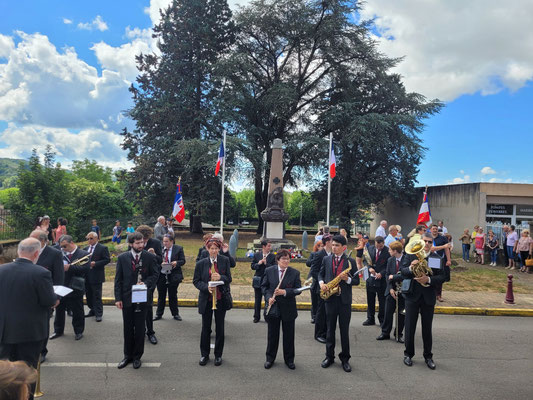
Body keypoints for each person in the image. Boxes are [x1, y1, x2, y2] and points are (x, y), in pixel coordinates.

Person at [0, 238, 58, 400]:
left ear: (18, 251)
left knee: (4, 372)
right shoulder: (41, 273)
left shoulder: (1, 270)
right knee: (28, 370)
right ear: (36, 253)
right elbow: (49, 301)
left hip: (4, 331)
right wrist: (55, 299)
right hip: (30, 333)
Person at [401, 233, 446, 370]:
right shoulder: (410, 255)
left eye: (430, 242)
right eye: (425, 241)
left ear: (432, 244)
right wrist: (410, 267)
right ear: (421, 242)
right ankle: (408, 354)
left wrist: (429, 280)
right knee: (409, 327)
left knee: (427, 329)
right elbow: (402, 271)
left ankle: (428, 356)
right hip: (412, 296)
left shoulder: (436, 258)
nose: (427, 244)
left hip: (428, 297)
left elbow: (443, 277)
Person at [115, 232, 159, 369]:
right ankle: (127, 355)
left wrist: (145, 283)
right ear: (131, 244)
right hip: (127, 297)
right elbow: (118, 280)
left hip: (142, 297)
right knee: (128, 328)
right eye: (138, 243)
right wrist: (118, 298)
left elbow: (155, 275)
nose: (141, 245)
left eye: (142, 243)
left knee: (140, 329)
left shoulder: (149, 257)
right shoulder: (122, 258)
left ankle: (137, 356)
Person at [318, 235, 359, 373]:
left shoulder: (350, 261)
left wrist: (347, 279)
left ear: (344, 247)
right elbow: (320, 274)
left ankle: (345, 359)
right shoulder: (326, 259)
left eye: (337, 245)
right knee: (329, 329)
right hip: (330, 299)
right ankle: (329, 357)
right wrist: (322, 283)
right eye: (333, 245)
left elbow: (357, 282)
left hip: (344, 301)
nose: (334, 247)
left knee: (344, 331)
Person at [193, 237, 232, 367]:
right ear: (207, 249)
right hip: (207, 299)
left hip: (220, 299)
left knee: (220, 328)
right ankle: (204, 354)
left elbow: (229, 278)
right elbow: (196, 281)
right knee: (206, 328)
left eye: (216, 248)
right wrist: (206, 287)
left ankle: (218, 355)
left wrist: (221, 277)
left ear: (219, 249)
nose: (214, 251)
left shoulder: (224, 261)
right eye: (211, 248)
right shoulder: (201, 263)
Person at [262, 249, 302, 370]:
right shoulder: (269, 271)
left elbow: (298, 290)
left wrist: (284, 292)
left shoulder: (294, 273)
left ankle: (289, 360)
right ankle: (270, 359)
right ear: (278, 260)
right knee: (272, 335)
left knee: (289, 336)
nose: (286, 261)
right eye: (283, 259)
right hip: (273, 308)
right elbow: (264, 286)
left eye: (288, 259)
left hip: (288, 308)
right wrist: (268, 297)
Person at [29, 230, 64, 363]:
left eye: (33, 239)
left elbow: (59, 276)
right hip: (29, 295)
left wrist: (57, 297)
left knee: (43, 324)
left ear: (42, 241)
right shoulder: (27, 251)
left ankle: (42, 351)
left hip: (46, 295)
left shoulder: (54, 253)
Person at [51, 236, 90, 341]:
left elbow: (86, 269)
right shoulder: (59, 254)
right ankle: (58, 330)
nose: (63, 248)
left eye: (65, 246)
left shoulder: (83, 254)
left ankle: (78, 331)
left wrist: (70, 267)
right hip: (61, 285)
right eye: (61, 246)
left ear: (71, 242)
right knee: (59, 309)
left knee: (77, 310)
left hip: (75, 286)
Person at [377, 241, 413, 343]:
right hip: (392, 290)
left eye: (390, 250)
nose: (388, 251)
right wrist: (390, 288)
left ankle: (398, 334)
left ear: (395, 251)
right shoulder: (390, 260)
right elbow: (387, 275)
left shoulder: (407, 259)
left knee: (401, 314)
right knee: (388, 312)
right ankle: (385, 333)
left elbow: (406, 274)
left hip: (403, 290)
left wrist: (394, 277)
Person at [135, 225, 162, 345]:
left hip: (149, 280)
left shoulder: (155, 242)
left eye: (146, 240)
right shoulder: (134, 242)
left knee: (148, 307)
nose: (144, 242)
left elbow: (160, 260)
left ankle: (150, 332)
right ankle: (139, 331)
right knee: (136, 307)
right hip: (136, 280)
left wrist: (154, 255)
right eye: (142, 239)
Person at [154, 234, 186, 321]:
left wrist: (177, 262)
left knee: (173, 295)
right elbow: (155, 260)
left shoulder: (178, 248)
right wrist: (160, 264)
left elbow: (183, 261)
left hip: (173, 275)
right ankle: (158, 314)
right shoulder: (160, 249)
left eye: (167, 241)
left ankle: (175, 314)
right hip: (162, 275)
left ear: (172, 241)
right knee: (161, 295)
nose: (165, 243)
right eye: (164, 241)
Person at [84, 232, 111, 322]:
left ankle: (99, 313)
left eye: (91, 238)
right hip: (86, 275)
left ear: (96, 239)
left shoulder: (102, 248)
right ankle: (92, 310)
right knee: (89, 295)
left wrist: (96, 264)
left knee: (96, 295)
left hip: (96, 275)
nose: (89, 240)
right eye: (88, 239)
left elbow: (107, 259)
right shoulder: (85, 249)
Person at [311, 234, 333, 343]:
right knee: (321, 312)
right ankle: (319, 334)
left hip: (330, 287)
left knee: (328, 311)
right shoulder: (319, 254)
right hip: (321, 287)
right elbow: (314, 271)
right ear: (327, 242)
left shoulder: (332, 254)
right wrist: (322, 282)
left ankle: (326, 332)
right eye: (332, 241)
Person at [363, 236, 390, 326]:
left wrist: (381, 273)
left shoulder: (387, 251)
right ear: (375, 243)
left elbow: (388, 265)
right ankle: (370, 318)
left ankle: (382, 319)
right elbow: (365, 260)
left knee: (382, 301)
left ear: (383, 243)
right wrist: (369, 268)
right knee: (370, 299)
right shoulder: (370, 248)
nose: (378, 248)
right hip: (371, 278)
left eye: (381, 246)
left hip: (382, 280)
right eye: (377, 246)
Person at [251, 240, 276, 323]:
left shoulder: (273, 256)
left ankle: (267, 315)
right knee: (257, 299)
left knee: (267, 299)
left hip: (268, 280)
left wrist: (266, 264)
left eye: (270, 246)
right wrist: (258, 263)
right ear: (263, 247)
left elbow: (274, 268)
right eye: (268, 246)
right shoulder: (257, 255)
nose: (270, 247)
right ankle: (256, 317)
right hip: (258, 279)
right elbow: (252, 266)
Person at [428, 224, 451, 302]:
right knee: (431, 276)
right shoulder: (428, 238)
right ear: (430, 230)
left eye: (436, 229)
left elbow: (447, 249)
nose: (435, 230)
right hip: (430, 260)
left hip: (440, 260)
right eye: (433, 229)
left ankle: (439, 295)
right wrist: (443, 246)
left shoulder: (443, 238)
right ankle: (432, 294)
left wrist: (448, 260)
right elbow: (431, 249)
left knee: (440, 278)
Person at [306, 240, 324, 323]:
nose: (322, 247)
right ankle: (313, 316)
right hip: (314, 279)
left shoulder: (326, 255)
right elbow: (308, 263)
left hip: (322, 279)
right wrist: (316, 259)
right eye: (321, 246)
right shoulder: (314, 254)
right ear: (317, 247)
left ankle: (320, 316)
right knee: (314, 299)